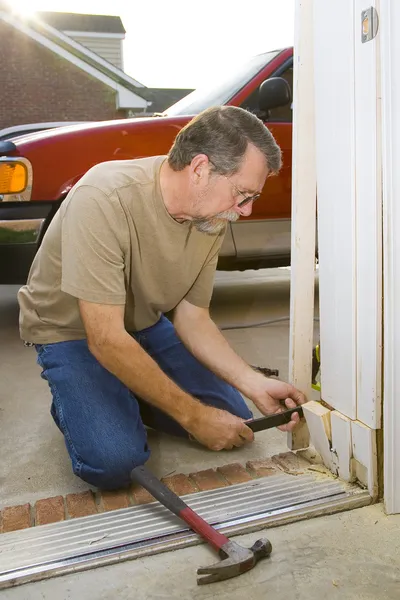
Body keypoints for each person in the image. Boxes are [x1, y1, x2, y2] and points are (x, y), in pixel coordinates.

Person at [18, 105, 305, 490]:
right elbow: (105, 338)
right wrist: (192, 417)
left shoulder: (212, 214)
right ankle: (81, 399)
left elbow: (193, 317)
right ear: (200, 168)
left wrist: (253, 384)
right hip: (72, 333)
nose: (246, 210)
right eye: (242, 194)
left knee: (234, 419)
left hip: (143, 324)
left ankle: (120, 393)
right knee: (115, 462)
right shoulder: (104, 195)